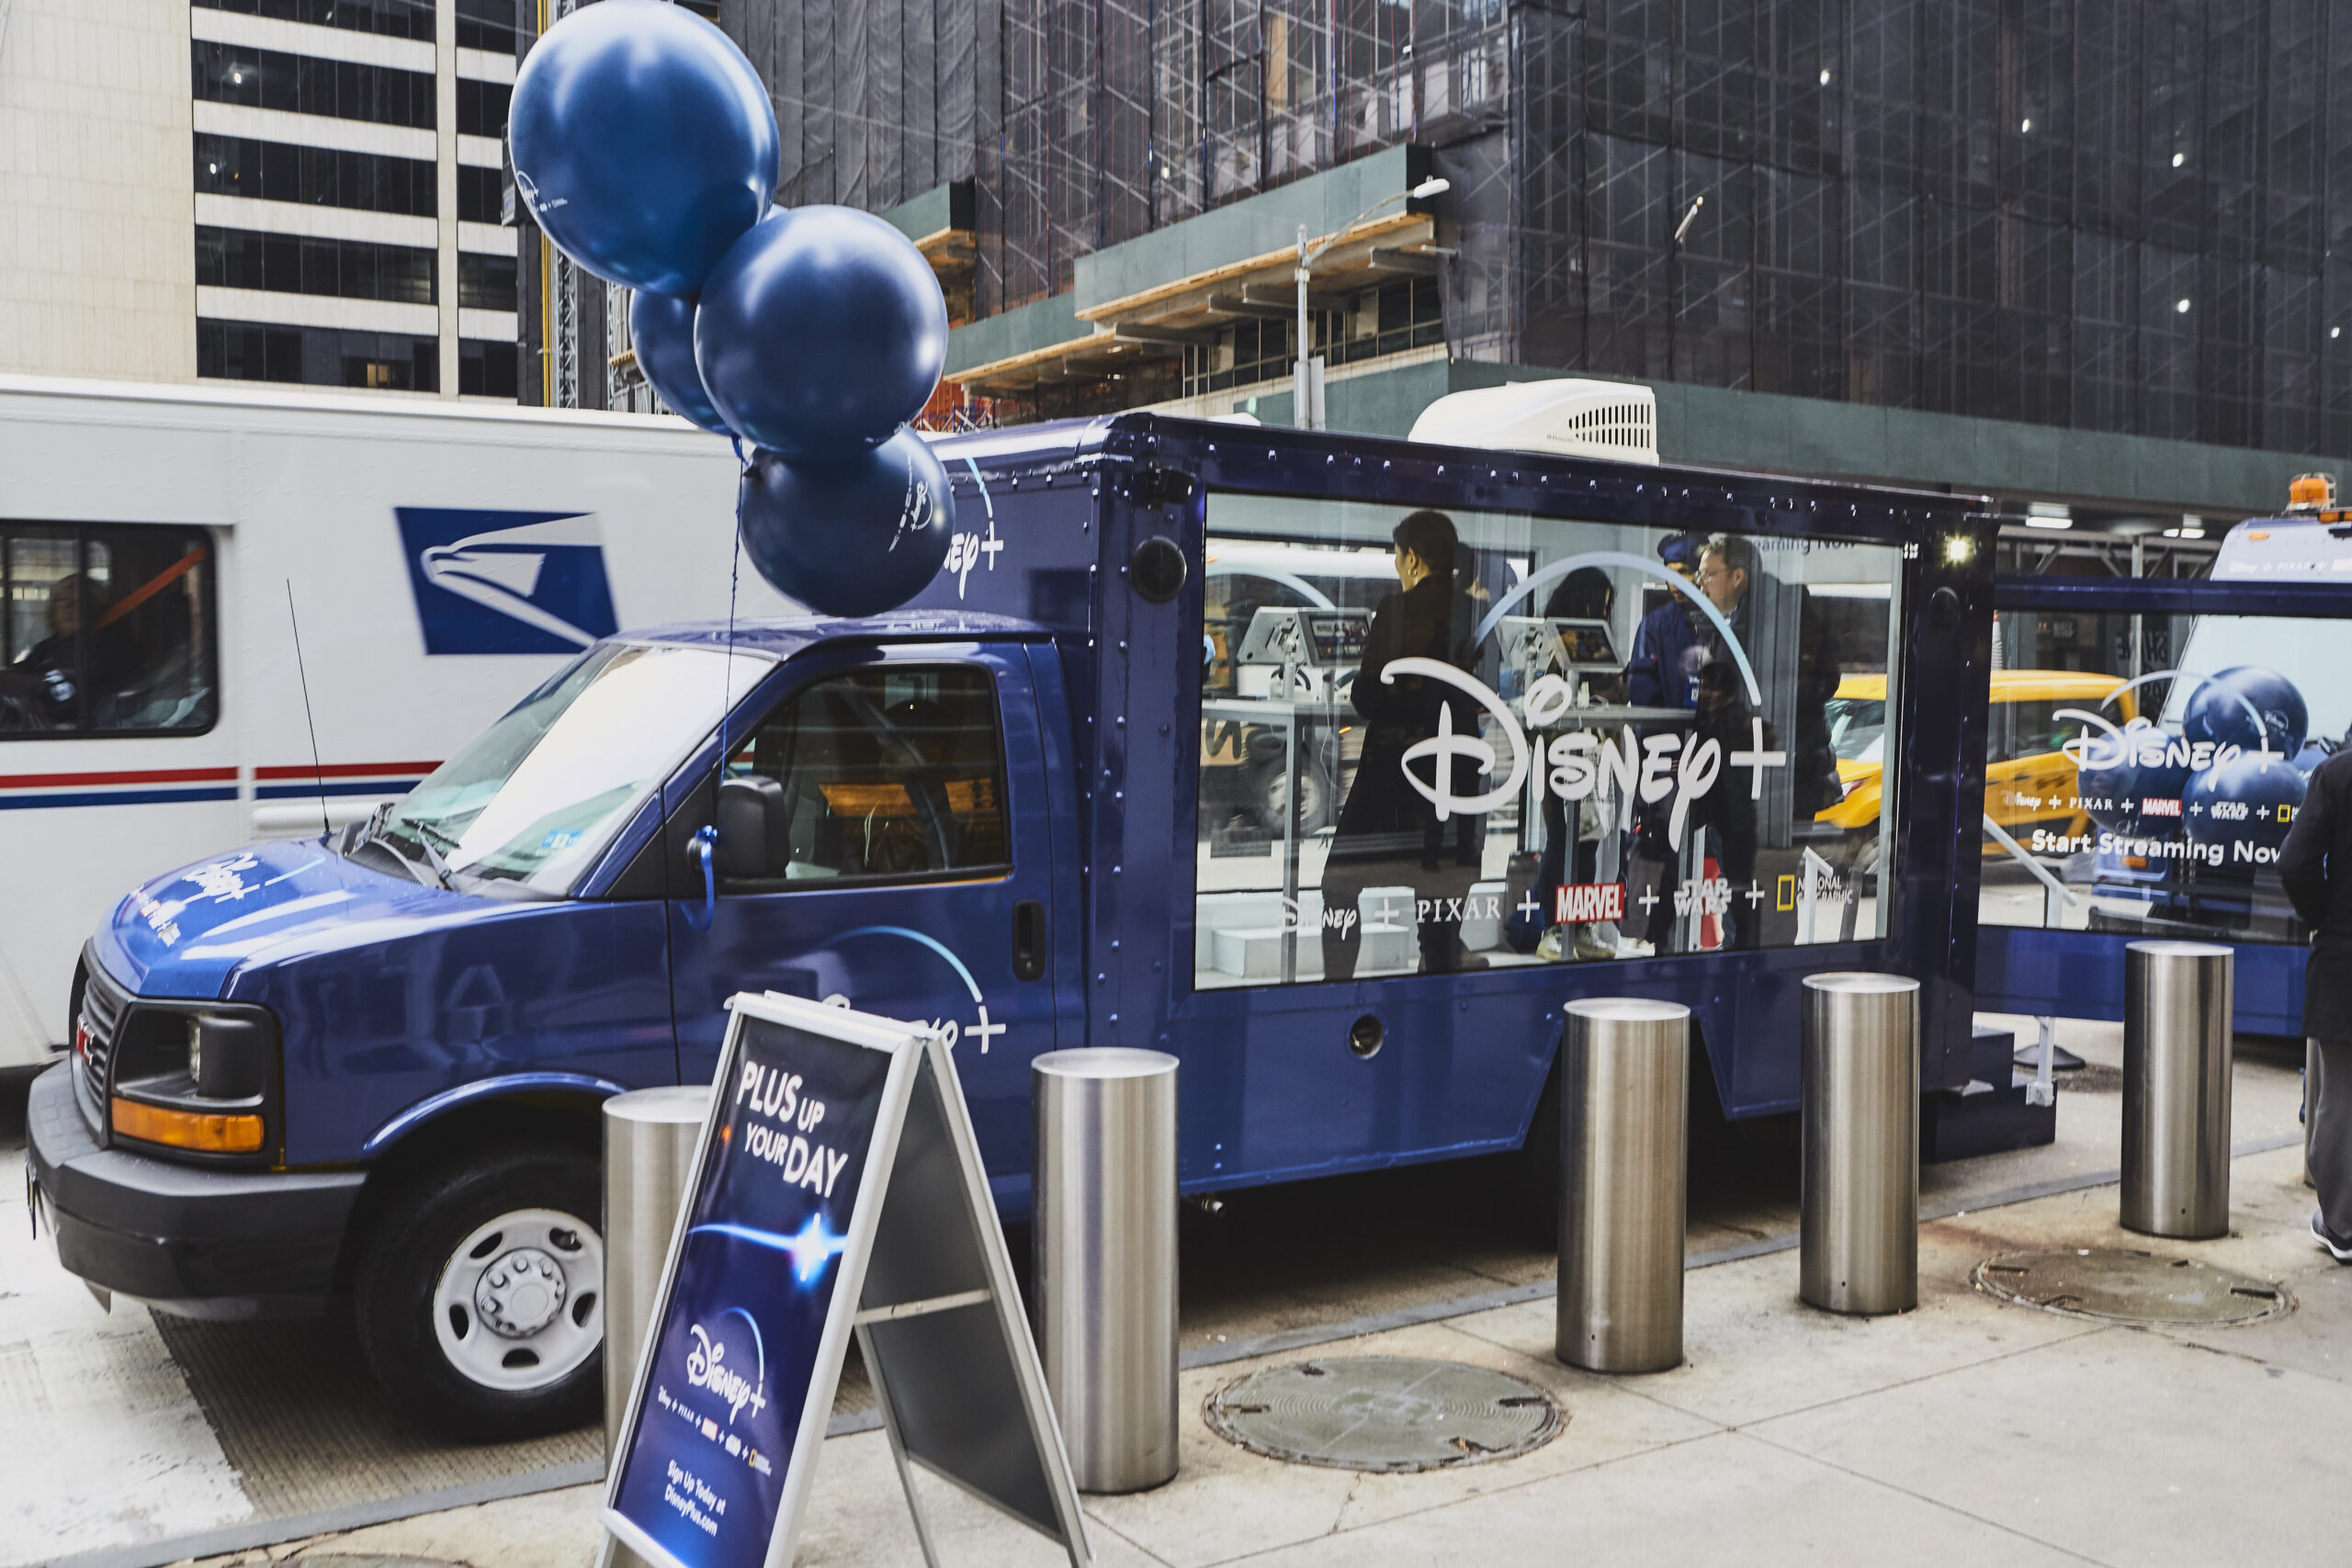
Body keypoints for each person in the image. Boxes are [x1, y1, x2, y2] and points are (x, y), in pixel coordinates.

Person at [1319, 510, 1485, 981]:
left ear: (1412, 558)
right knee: (1440, 906)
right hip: (1457, 777)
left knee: (1338, 885)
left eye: (1397, 556)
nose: (1396, 566)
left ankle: (1337, 988)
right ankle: (1438, 1000)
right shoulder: (1472, 613)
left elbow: (1368, 697)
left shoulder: (1395, 610)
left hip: (1395, 775)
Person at [2278, 748, 2352, 1261]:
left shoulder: (2337, 774)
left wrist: (2323, 916)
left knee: (2342, 1093)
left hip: (2344, 954)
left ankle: (2343, 1223)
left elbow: (2296, 861)